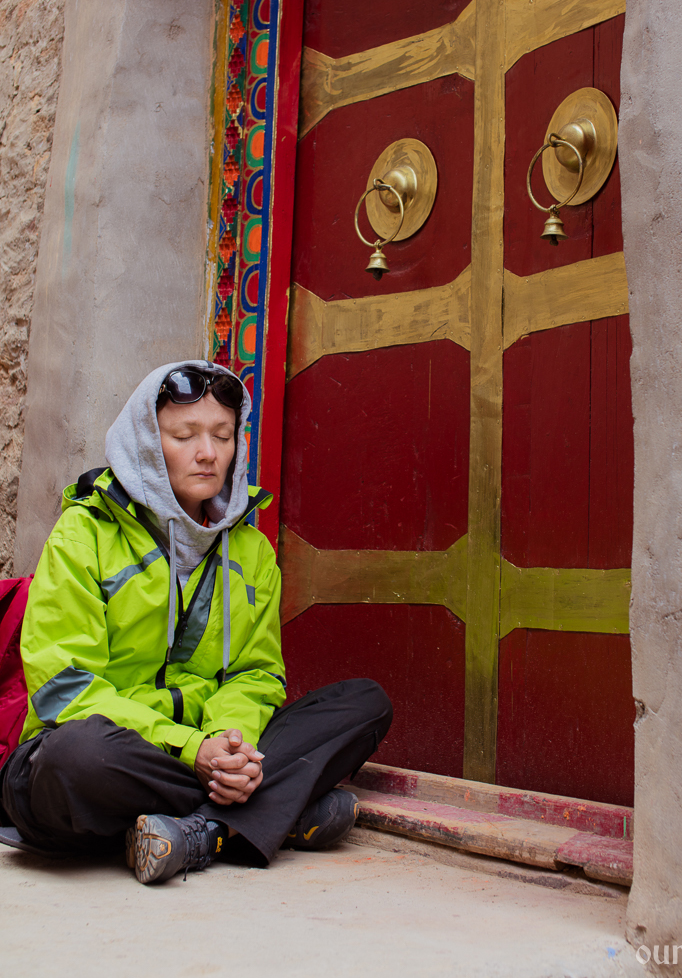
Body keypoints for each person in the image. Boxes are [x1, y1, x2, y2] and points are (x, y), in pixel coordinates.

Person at [0, 360, 392, 884]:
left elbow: (255, 674)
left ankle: (199, 832)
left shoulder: (252, 551)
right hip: (110, 756)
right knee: (76, 758)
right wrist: (193, 752)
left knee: (365, 703)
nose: (208, 453)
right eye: (184, 436)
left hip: (198, 751)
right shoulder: (83, 533)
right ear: (146, 441)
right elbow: (64, 688)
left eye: (222, 436)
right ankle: (267, 814)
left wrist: (227, 743)